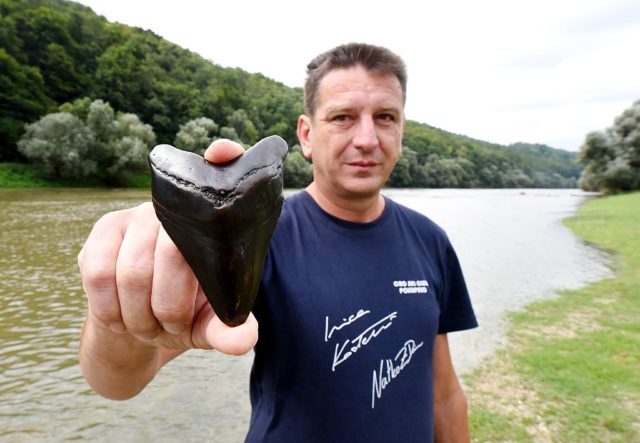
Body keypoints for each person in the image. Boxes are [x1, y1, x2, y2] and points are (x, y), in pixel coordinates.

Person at [78, 42, 478, 442]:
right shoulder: (258, 236)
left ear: (402, 128)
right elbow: (117, 383)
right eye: (343, 117)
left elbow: (444, 394)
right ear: (306, 134)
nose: (367, 139)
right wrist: (118, 322)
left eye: (386, 117)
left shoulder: (430, 240)